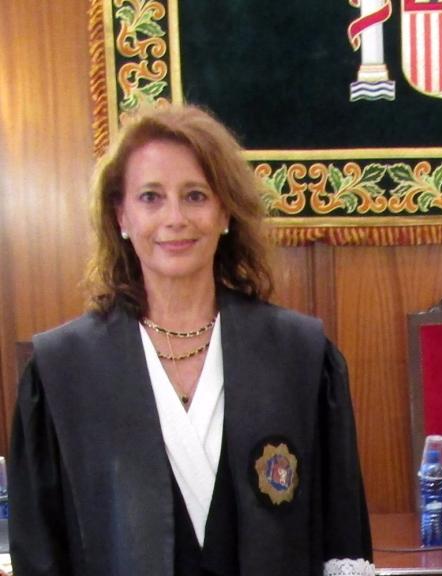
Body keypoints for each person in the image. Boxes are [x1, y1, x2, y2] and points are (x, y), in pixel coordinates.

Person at [8, 105, 374, 576]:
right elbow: (40, 556)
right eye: (151, 197)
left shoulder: (300, 356)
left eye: (196, 196)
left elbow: (343, 541)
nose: (175, 217)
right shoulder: (63, 372)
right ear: (121, 215)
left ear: (225, 211)